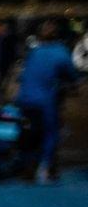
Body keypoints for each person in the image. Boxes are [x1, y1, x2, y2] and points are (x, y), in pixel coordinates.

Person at [16, 18, 79, 183]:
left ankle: (27, 166)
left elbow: (23, 76)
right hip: (45, 101)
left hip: (25, 99)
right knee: (50, 133)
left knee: (29, 133)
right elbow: (72, 75)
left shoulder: (35, 51)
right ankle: (46, 167)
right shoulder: (61, 52)